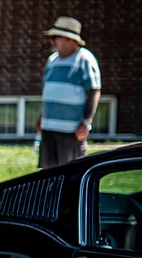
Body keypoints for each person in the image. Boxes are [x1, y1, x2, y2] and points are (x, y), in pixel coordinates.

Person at [38, 16, 101, 169]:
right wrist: (41, 118)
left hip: (70, 130)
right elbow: (48, 93)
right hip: (48, 128)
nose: (54, 41)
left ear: (70, 39)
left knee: (71, 171)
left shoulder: (84, 59)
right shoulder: (52, 60)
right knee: (47, 173)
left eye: (58, 37)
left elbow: (94, 91)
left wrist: (86, 122)